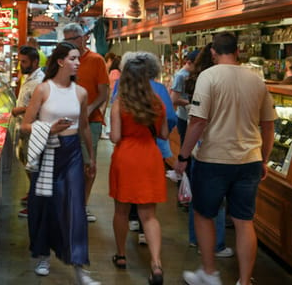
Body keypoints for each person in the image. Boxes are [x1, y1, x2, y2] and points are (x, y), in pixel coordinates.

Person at [176, 32, 277, 285]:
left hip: (213, 159)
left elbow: (198, 121)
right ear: (238, 51)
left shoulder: (208, 77)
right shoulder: (256, 79)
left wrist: (183, 155)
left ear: (213, 53)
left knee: (204, 214)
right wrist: (264, 159)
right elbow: (268, 125)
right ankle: (244, 281)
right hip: (250, 160)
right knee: (244, 222)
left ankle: (209, 273)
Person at [21, 42, 100, 285]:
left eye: (78, 58)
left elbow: (84, 126)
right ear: (61, 61)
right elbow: (25, 125)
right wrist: (48, 129)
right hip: (47, 151)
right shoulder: (43, 90)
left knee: (74, 208)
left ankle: (79, 267)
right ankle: (43, 254)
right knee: (43, 205)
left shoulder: (81, 93)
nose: (78, 62)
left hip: (72, 153)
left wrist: (91, 157)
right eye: (74, 58)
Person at [108, 55, 169, 285]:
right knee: (149, 215)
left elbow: (115, 137)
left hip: (126, 158)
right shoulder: (157, 103)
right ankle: (156, 263)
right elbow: (163, 135)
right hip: (150, 157)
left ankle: (121, 255)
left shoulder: (120, 104)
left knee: (121, 211)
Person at [184, 44, 233, 258]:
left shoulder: (198, 78)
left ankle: (196, 238)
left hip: (198, 143)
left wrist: (183, 154)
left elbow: (195, 119)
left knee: (199, 198)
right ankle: (217, 244)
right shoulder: (220, 80)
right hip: (218, 146)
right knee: (218, 202)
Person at [61, 23, 108, 223]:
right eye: (65, 40)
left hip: (91, 122)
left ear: (82, 38)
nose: (68, 43)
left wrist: (89, 108)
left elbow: (104, 92)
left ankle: (82, 205)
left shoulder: (96, 60)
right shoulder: (64, 60)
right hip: (64, 122)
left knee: (88, 165)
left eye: (71, 39)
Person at [12, 45, 46, 218]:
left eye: (24, 62)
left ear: (35, 62)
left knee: (34, 167)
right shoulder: (28, 78)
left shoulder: (40, 81)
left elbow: (41, 105)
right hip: (24, 128)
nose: (21, 65)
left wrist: (20, 110)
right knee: (27, 163)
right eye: (20, 61)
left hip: (34, 129)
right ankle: (33, 194)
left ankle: (35, 204)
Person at [170, 50, 199, 145]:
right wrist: (190, 102)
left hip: (192, 116)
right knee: (185, 144)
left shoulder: (191, 74)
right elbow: (173, 99)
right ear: (189, 63)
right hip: (184, 117)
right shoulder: (180, 76)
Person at [101, 52, 121, 138]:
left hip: (111, 93)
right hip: (112, 93)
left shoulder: (112, 71)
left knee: (108, 112)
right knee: (109, 113)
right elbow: (114, 83)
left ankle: (107, 130)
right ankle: (108, 130)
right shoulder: (116, 72)